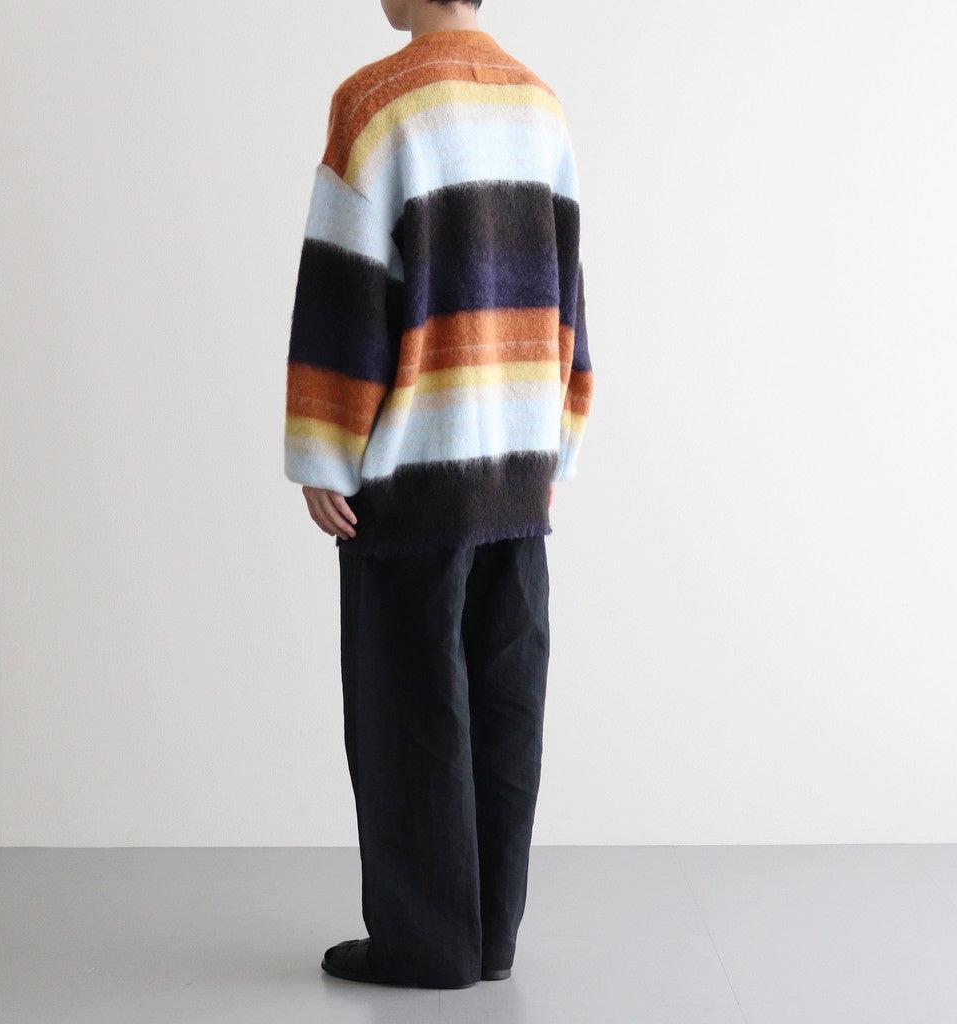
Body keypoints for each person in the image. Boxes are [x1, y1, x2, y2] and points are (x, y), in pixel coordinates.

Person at [283, 0, 593, 990]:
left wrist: (326, 448)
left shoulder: (377, 101)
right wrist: (558, 439)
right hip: (515, 463)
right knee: (504, 705)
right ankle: (488, 935)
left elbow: (345, 288)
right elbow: (567, 292)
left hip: (415, 470)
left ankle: (427, 944)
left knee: (408, 708)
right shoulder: (538, 105)